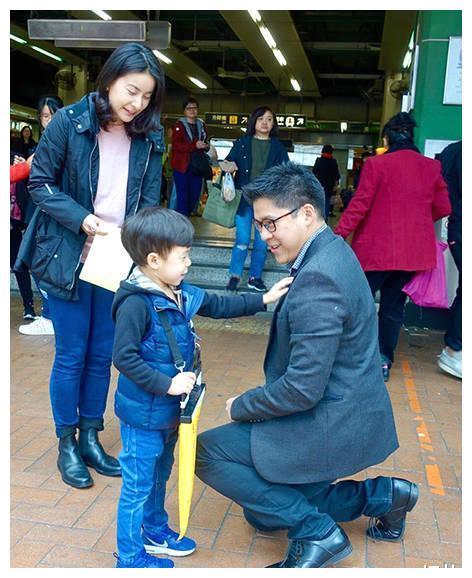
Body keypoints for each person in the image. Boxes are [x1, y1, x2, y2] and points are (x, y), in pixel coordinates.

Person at [196, 162, 418, 569]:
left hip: (330, 420)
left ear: (307, 213)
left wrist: (243, 405)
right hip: (348, 408)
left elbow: (302, 389)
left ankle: (316, 533)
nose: (264, 236)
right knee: (262, 511)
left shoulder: (319, 276)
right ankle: (385, 496)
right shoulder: (333, 250)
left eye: (270, 223)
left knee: (206, 453)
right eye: (260, 225)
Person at [15, 42, 166, 490]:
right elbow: (39, 183)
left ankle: (90, 435)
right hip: (67, 254)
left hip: (115, 258)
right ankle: (67, 442)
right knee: (72, 354)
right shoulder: (69, 122)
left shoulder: (148, 135)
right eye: (131, 91)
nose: (135, 104)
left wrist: (139, 242)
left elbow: (150, 198)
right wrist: (82, 219)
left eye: (145, 98)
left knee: (103, 355)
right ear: (110, 78)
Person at [111, 207, 292, 568]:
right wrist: (168, 384)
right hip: (143, 416)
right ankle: (130, 558)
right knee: (137, 486)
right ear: (153, 260)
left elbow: (219, 304)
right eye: (183, 257)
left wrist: (264, 299)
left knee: (160, 473)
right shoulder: (136, 303)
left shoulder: (178, 291)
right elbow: (124, 358)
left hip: (168, 414)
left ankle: (154, 529)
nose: (189, 263)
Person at [335, 112, 451, 381]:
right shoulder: (431, 167)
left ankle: (349, 356)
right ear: (411, 137)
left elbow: (360, 205)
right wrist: (416, 221)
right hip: (411, 255)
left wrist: (339, 233)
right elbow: (444, 207)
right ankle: (383, 360)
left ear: (387, 139)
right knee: (392, 308)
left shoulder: (377, 165)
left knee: (357, 303)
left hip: (375, 251)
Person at [220, 106, 289, 293]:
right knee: (242, 240)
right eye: (261, 119)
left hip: (267, 204)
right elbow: (227, 162)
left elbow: (286, 173)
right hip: (244, 201)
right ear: (254, 122)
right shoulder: (243, 143)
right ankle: (234, 276)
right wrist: (227, 165)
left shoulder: (278, 147)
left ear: (273, 124)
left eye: (269, 119)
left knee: (261, 242)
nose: (265, 123)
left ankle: (254, 277)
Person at [19, 95, 64, 336]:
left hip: (55, 211)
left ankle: (50, 316)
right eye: (45, 116)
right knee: (35, 262)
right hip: (40, 210)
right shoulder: (45, 141)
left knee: (40, 263)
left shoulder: (63, 141)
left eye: (54, 115)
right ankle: (51, 315)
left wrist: (26, 167)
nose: (49, 121)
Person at [437, 140, 462, 378]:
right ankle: (454, 349)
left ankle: (455, 347)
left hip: (458, 225)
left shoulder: (452, 151)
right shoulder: (457, 152)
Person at [171, 97, 210, 216]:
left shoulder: (201, 125)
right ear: (184, 110)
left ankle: (185, 218)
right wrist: (194, 145)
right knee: (182, 196)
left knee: (194, 196)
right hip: (182, 166)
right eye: (189, 108)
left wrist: (206, 146)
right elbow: (176, 144)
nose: (192, 111)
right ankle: (182, 224)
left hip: (197, 166)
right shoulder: (179, 125)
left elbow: (206, 139)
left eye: (194, 108)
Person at [312, 144, 340, 220]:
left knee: (318, 202)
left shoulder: (319, 161)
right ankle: (324, 220)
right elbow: (337, 176)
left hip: (318, 186)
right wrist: (336, 185)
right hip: (329, 187)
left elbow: (314, 173)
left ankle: (317, 219)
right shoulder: (333, 162)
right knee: (326, 203)